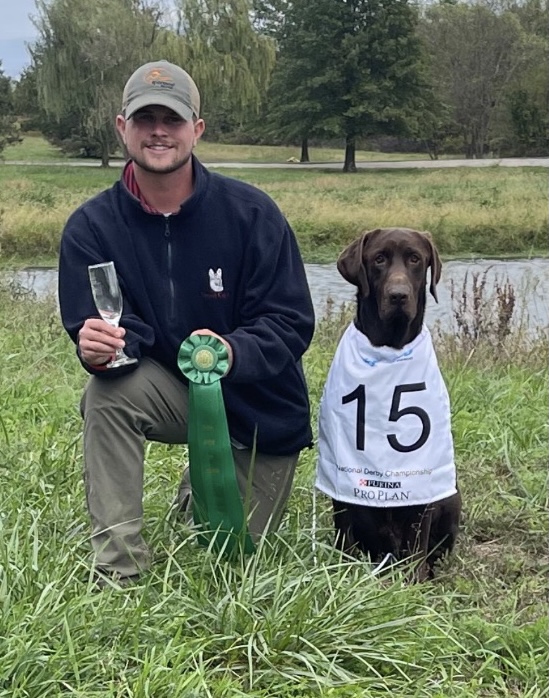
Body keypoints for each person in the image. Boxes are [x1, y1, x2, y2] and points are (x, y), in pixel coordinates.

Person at [58, 59, 315, 585]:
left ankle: (196, 487)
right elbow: (99, 324)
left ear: (196, 129)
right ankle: (119, 568)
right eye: (144, 117)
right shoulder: (91, 227)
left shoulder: (253, 214)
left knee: (235, 557)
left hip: (256, 406)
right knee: (107, 396)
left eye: (172, 119)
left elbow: (292, 322)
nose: (158, 131)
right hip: (165, 388)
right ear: (121, 127)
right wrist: (99, 347)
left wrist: (234, 351)